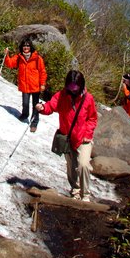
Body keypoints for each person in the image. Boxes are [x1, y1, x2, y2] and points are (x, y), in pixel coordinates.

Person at [35, 69, 97, 202]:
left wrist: (88, 133)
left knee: (83, 165)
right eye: (70, 86)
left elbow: (92, 118)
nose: (73, 90)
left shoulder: (88, 99)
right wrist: (42, 108)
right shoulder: (61, 96)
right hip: (67, 137)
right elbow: (51, 106)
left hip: (83, 138)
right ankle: (75, 192)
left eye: (76, 87)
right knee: (71, 167)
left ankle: (85, 195)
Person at [4, 38, 47, 132]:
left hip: (35, 86)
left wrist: (42, 84)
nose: (26, 47)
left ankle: (34, 122)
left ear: (30, 47)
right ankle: (25, 115)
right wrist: (6, 55)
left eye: (27, 46)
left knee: (36, 105)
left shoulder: (37, 58)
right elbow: (10, 64)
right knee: (25, 103)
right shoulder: (19, 57)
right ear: (22, 47)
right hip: (25, 86)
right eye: (24, 46)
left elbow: (42, 71)